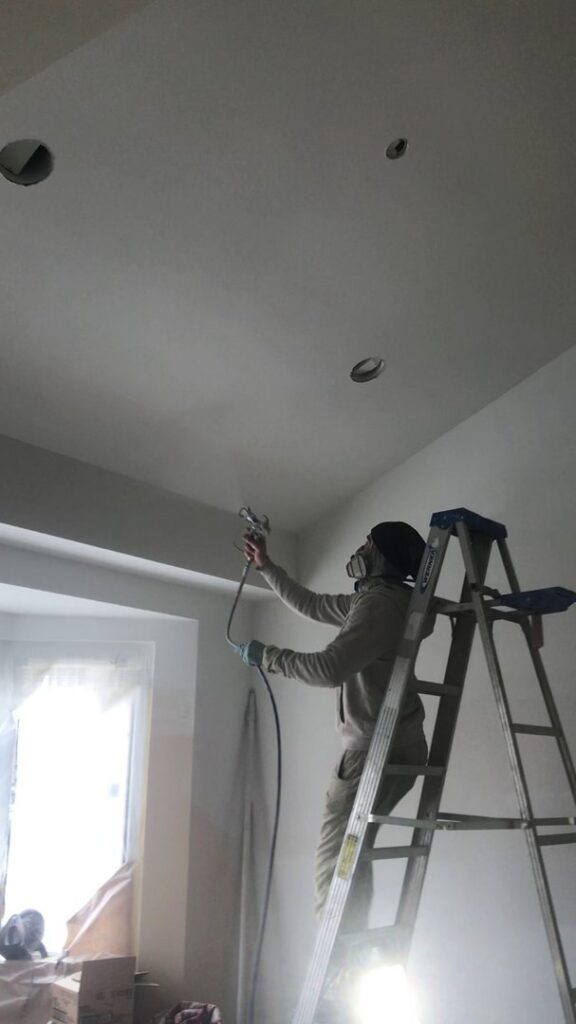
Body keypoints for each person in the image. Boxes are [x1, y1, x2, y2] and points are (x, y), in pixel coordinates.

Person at [235, 521, 435, 936]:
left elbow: (329, 669)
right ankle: (352, 949)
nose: (358, 550)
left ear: (381, 556)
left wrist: (268, 656)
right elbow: (311, 604)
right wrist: (266, 566)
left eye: (366, 544)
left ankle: (336, 958)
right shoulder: (385, 600)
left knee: (336, 854)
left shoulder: (379, 606)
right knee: (353, 850)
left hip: (375, 751)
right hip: (398, 744)